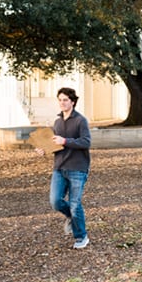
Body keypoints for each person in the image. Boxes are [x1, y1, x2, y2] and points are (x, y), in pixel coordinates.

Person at [36, 87, 92, 249]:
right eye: (60, 100)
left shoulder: (81, 121)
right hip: (59, 167)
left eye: (65, 100)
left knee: (75, 204)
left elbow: (86, 142)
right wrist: (44, 149)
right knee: (55, 201)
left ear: (73, 102)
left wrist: (66, 141)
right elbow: (55, 142)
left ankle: (81, 237)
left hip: (77, 168)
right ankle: (70, 217)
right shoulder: (57, 122)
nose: (62, 103)